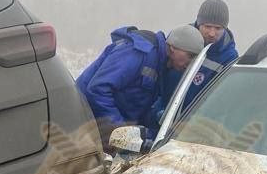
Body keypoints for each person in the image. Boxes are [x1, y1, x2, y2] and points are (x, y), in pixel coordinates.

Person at [75, 24, 205, 146]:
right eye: (191, 55)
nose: (191, 62)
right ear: (173, 48)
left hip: (104, 126)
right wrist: (123, 133)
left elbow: (138, 105)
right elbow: (98, 89)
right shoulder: (137, 52)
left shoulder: (162, 68)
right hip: (81, 119)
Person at [151, 0, 238, 127]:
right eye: (207, 26)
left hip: (192, 125)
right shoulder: (180, 38)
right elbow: (160, 74)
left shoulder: (228, 57)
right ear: (198, 23)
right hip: (161, 113)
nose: (212, 33)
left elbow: (220, 100)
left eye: (218, 28)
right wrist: (157, 108)